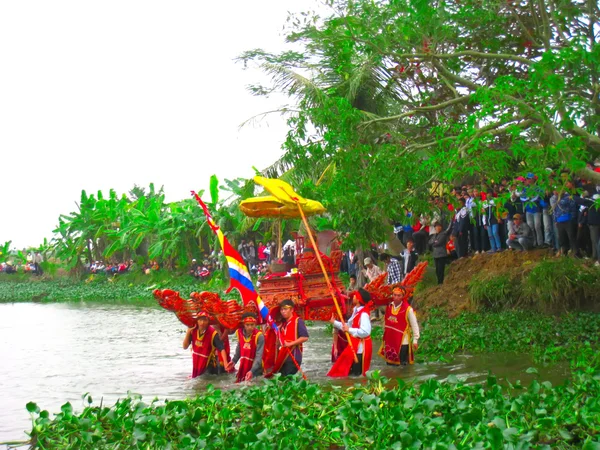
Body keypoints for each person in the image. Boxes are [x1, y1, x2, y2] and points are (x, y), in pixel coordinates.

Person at [328, 288, 373, 377]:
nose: (353, 296)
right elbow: (347, 326)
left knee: (357, 375)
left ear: (359, 299)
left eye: (355, 295)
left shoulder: (363, 314)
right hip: (355, 346)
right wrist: (334, 322)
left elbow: (365, 332)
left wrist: (349, 330)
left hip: (361, 350)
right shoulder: (356, 311)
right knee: (347, 372)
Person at [265, 299, 309, 377]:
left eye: (285, 309)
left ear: (291, 309)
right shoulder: (283, 324)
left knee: (287, 381)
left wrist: (290, 344)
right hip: (283, 357)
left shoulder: (298, 321)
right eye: (281, 310)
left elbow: (305, 337)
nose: (283, 312)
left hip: (293, 357)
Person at [378, 287, 420, 365]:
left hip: (402, 343)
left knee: (402, 366)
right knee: (390, 365)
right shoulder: (389, 306)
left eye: (399, 295)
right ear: (392, 295)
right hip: (390, 342)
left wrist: (415, 340)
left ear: (403, 296)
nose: (396, 297)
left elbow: (414, 325)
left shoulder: (408, 309)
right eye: (395, 295)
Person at [182, 312, 229, 378]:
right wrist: (188, 331)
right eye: (200, 320)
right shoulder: (193, 330)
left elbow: (221, 348)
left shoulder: (213, 333)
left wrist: (225, 363)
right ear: (197, 321)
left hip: (209, 366)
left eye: (205, 320)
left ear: (208, 321)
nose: (202, 323)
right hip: (197, 363)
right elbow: (185, 346)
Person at [226, 313, 265, 382]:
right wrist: (234, 361)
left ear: (255, 324)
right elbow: (239, 349)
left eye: (252, 325)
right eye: (247, 325)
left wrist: (252, 371)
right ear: (244, 325)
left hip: (256, 369)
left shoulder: (259, 336)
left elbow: (259, 356)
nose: (250, 327)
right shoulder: (239, 333)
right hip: (243, 365)